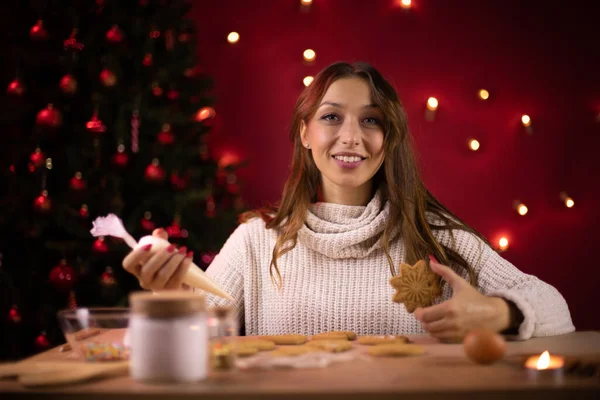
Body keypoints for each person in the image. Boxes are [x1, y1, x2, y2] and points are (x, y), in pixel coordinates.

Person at [122, 61, 575, 342]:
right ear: (305, 133)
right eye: (331, 117)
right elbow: (196, 336)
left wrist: (498, 312)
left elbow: (556, 308)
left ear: (390, 137)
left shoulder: (436, 237)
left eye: (372, 120)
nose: (351, 137)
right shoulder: (256, 241)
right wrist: (171, 295)